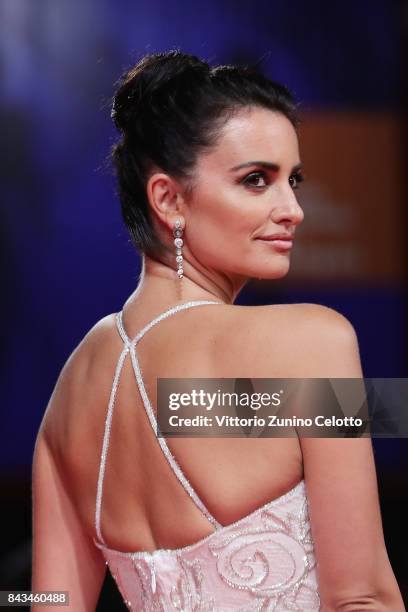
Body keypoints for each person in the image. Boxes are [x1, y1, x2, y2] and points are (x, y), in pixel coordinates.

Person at [31, 49, 405, 611]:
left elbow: (47, 600)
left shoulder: (71, 390)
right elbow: (363, 597)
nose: (294, 209)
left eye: (294, 180)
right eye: (257, 180)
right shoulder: (312, 342)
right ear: (168, 199)